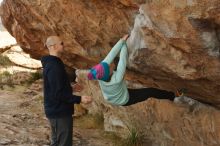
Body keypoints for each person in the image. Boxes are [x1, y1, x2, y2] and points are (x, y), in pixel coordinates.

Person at [87, 34, 184, 106]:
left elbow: (110, 55)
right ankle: (173, 96)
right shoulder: (117, 79)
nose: (110, 63)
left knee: (124, 86)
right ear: (110, 73)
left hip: (112, 95)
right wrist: (124, 45)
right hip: (125, 99)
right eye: (109, 66)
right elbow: (123, 60)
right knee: (150, 92)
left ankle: (172, 95)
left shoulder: (100, 74)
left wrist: (122, 40)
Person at [41, 36, 92, 146]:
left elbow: (55, 87)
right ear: (54, 46)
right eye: (62, 43)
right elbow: (58, 93)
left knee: (56, 142)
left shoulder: (54, 63)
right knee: (64, 143)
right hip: (59, 111)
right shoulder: (54, 65)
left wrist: (71, 88)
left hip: (56, 110)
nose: (64, 45)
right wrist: (80, 99)